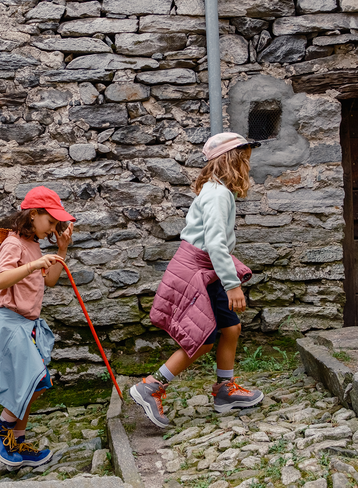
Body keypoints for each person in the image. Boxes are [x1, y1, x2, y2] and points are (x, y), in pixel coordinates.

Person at [130, 132, 264, 429]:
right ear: (232, 160)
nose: (247, 166)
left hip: (207, 268)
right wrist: (233, 285)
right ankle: (150, 386)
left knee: (230, 327)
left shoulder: (218, 192)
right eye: (244, 159)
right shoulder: (217, 194)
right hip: (199, 270)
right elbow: (216, 244)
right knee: (203, 338)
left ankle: (225, 391)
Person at [0, 186, 75, 468]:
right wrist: (33, 266)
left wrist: (61, 250)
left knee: (35, 383)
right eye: (51, 222)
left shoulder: (34, 246)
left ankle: (16, 441)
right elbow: (1, 279)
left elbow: (52, 280)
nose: (53, 227)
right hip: (11, 324)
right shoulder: (13, 244)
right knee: (33, 378)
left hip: (27, 325)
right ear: (33, 215)